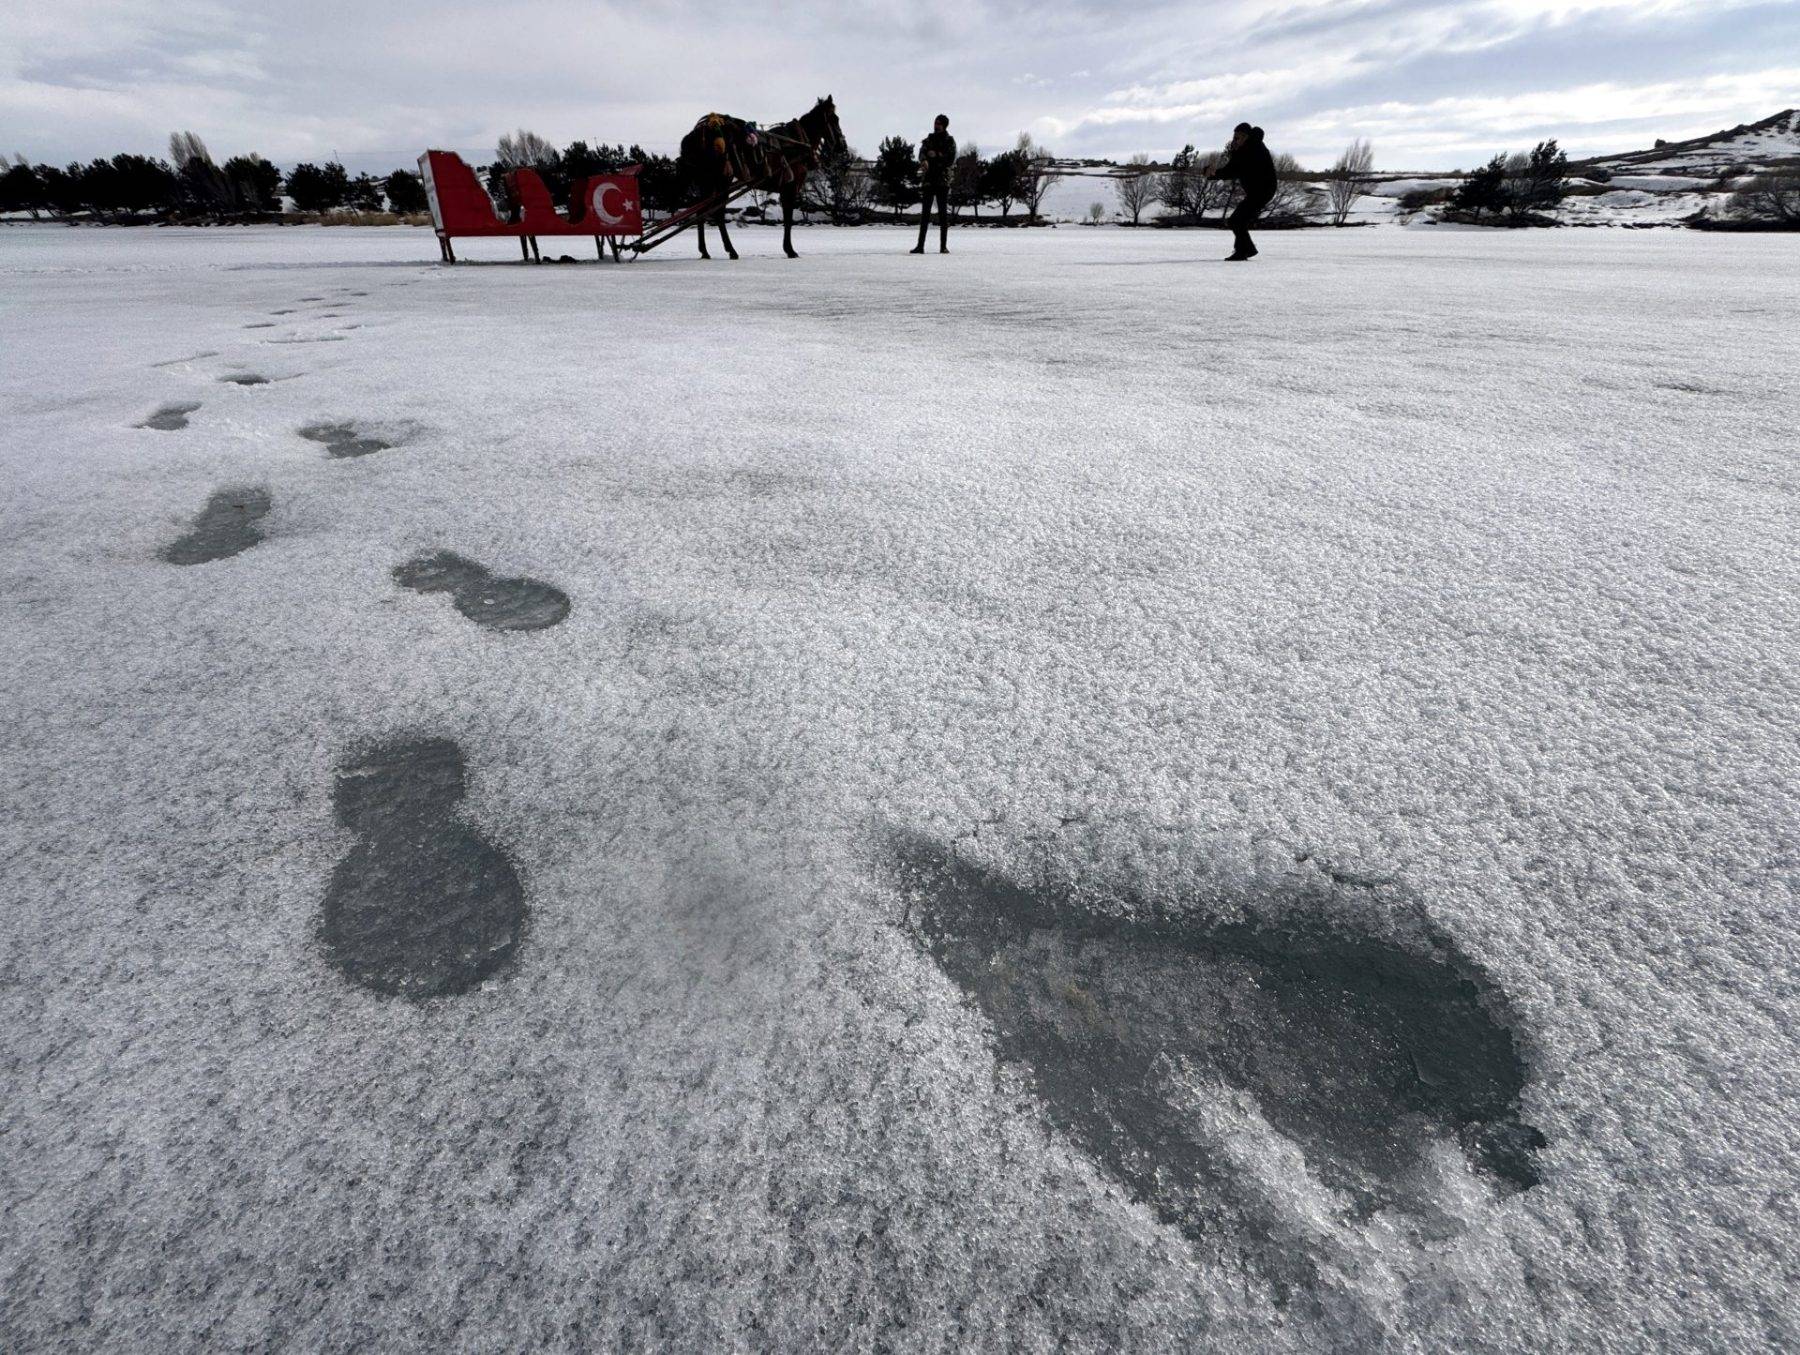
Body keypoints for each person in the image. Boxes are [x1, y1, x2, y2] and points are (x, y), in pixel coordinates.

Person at [1209, 123, 1276, 261]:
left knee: (1236, 220)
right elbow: (1232, 169)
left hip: (1263, 190)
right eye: (1233, 138)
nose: (1234, 141)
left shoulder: (1253, 148)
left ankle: (1246, 250)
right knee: (1238, 220)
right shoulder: (1245, 149)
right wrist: (1212, 174)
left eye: (1237, 138)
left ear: (1246, 137)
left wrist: (1214, 173)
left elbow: (1233, 170)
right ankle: (1244, 250)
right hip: (1257, 192)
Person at [911, 114, 956, 254]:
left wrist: (936, 155)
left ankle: (943, 246)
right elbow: (922, 153)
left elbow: (950, 159)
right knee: (925, 214)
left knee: (943, 214)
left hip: (942, 181)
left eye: (938, 123)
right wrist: (924, 159)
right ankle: (920, 246)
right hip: (929, 180)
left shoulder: (949, 141)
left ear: (944, 126)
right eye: (935, 123)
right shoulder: (929, 139)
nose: (936, 125)